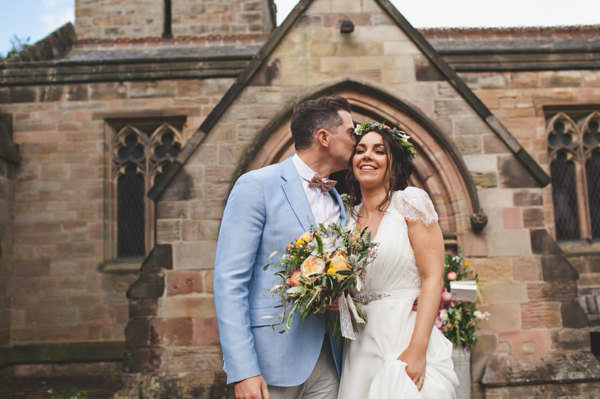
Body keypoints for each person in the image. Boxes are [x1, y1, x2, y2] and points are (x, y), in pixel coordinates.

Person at [214, 97, 356, 399]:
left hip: (329, 360)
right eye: (351, 132)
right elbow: (230, 281)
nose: (357, 141)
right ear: (324, 138)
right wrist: (243, 370)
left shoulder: (337, 200)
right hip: (269, 363)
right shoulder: (256, 185)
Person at [337, 122, 459, 399]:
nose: (367, 156)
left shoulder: (409, 203)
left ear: (393, 164)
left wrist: (417, 350)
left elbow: (432, 277)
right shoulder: (344, 218)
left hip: (404, 335)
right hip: (359, 344)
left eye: (379, 151)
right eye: (360, 150)